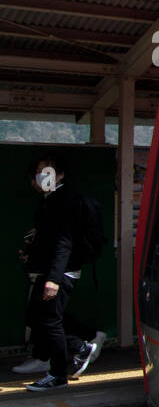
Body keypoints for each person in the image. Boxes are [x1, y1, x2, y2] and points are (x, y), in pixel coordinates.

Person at [23, 156, 100, 390]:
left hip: (59, 274)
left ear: (60, 175)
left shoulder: (62, 202)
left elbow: (63, 243)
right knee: (39, 319)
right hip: (52, 272)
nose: (41, 175)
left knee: (49, 322)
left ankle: (59, 372)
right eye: (38, 171)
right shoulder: (50, 200)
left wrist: (53, 280)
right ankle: (77, 348)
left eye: (46, 171)